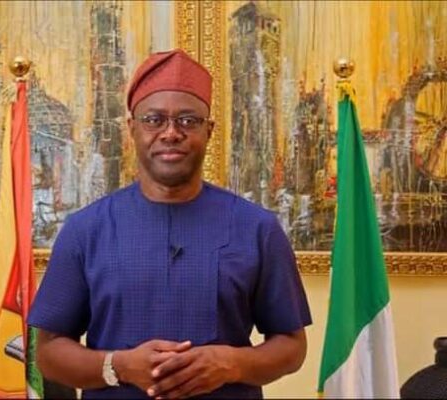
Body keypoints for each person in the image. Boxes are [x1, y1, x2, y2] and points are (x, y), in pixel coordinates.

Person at [28, 49, 312, 399]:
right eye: (154, 120)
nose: (171, 133)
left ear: (209, 131)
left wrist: (231, 364)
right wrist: (117, 366)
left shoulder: (257, 228)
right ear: (132, 128)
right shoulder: (85, 230)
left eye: (188, 121)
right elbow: (48, 351)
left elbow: (291, 345)